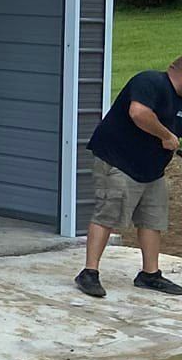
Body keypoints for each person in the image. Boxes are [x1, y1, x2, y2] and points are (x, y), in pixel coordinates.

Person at [76, 56, 182, 299]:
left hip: (151, 170)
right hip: (118, 161)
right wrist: (166, 135)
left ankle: (150, 274)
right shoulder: (150, 82)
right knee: (107, 214)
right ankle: (89, 272)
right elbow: (139, 113)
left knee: (152, 219)